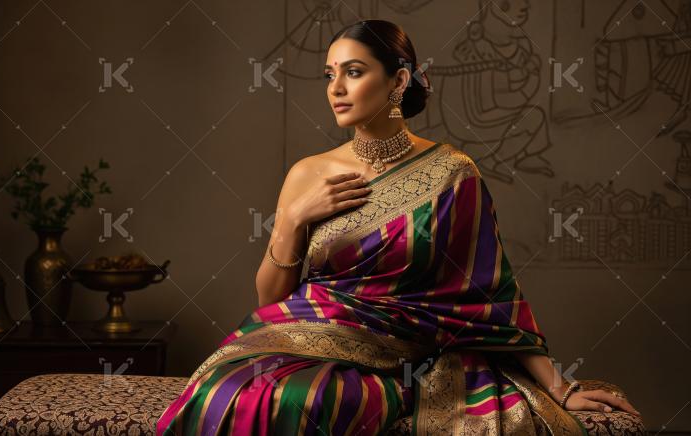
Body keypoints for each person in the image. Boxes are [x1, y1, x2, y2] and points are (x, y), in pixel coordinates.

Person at [156, 19, 640, 435]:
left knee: (302, 402)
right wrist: (293, 219)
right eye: (330, 74)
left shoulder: (452, 172)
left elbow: (490, 297)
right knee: (231, 391)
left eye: (354, 72)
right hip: (297, 338)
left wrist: (558, 386)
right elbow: (269, 300)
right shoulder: (307, 173)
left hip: (398, 356)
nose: (336, 88)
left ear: (398, 80)